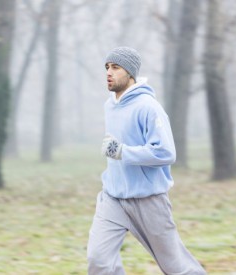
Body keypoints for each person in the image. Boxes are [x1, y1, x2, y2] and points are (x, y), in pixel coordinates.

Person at [87, 47, 206, 275]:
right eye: (107, 67)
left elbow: (165, 152)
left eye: (115, 67)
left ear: (130, 73)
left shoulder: (148, 107)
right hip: (113, 198)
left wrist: (123, 151)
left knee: (177, 267)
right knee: (99, 261)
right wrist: (117, 153)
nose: (108, 73)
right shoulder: (109, 105)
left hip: (148, 201)